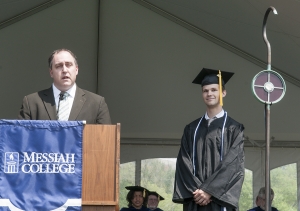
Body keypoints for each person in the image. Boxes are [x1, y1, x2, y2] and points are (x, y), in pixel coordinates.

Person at [172, 68, 245, 211]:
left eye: (213, 90)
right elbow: (183, 162)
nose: (209, 93)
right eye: (205, 91)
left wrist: (209, 191)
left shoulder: (234, 128)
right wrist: (199, 192)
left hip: (220, 199)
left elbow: (233, 165)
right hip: (195, 198)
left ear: (223, 93)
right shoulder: (191, 129)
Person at [18, 49, 111, 124]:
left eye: (68, 65)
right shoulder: (31, 102)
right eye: (58, 66)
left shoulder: (97, 103)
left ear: (76, 69)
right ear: (51, 72)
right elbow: (22, 140)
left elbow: (106, 141)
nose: (64, 70)